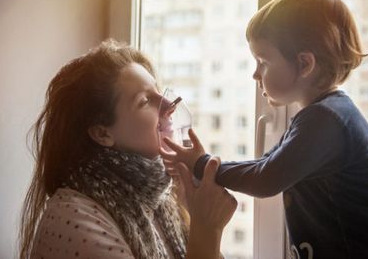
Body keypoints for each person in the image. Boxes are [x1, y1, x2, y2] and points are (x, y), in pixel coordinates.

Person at [160, 0, 368, 259]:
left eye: (263, 61)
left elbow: (266, 178)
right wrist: (203, 164)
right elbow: (265, 165)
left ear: (305, 64)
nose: (255, 74)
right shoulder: (315, 117)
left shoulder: (327, 119)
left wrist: (203, 165)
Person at [18, 39, 237, 259]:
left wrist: (197, 216)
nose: (169, 105)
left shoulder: (163, 202)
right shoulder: (74, 219)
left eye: (159, 92)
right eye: (145, 101)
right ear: (103, 133)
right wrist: (207, 230)